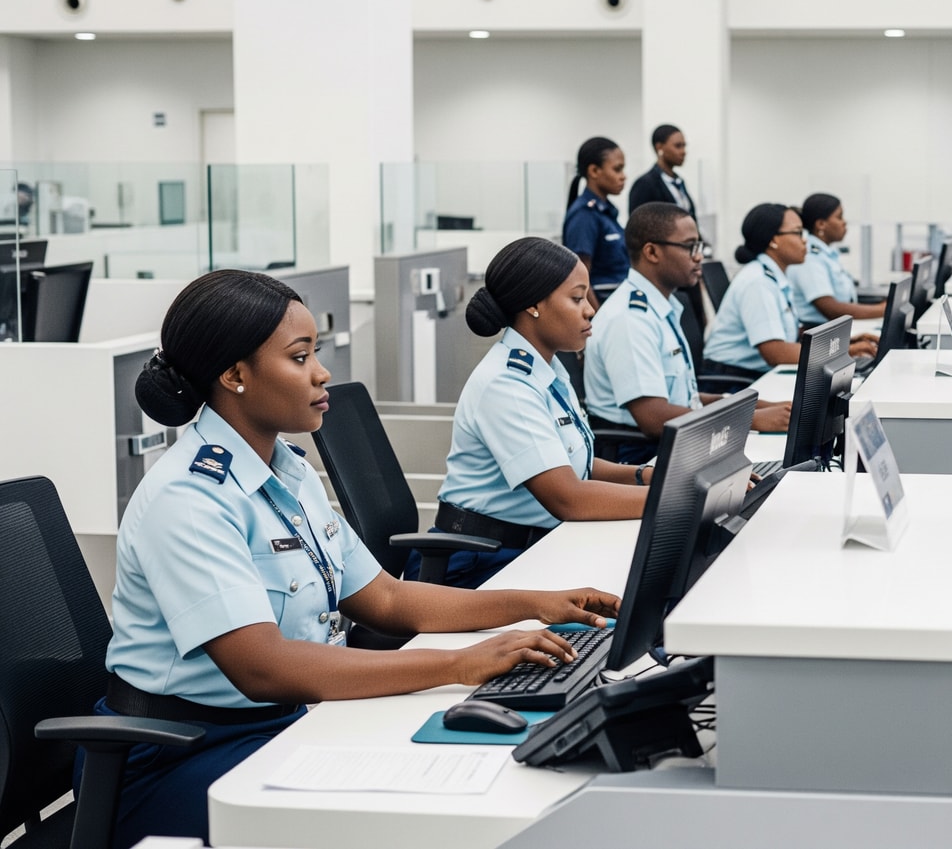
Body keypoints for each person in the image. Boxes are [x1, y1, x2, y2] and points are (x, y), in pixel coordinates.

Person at [99, 269, 620, 849]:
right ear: (234, 375)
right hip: (186, 755)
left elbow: (386, 598)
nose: (322, 373)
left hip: (287, 723)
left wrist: (536, 605)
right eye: (300, 358)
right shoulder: (189, 499)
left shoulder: (287, 471)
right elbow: (263, 668)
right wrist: (460, 665)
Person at [428, 237, 653, 588]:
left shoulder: (545, 368)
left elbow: (573, 463)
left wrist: (645, 476)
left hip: (531, 546)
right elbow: (569, 498)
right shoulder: (506, 385)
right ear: (534, 305)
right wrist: (677, 498)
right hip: (480, 565)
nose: (590, 309)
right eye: (577, 298)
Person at [585, 202, 792, 462]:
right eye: (690, 246)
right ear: (651, 252)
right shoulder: (630, 319)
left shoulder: (661, 308)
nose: (699, 256)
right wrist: (748, 419)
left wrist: (755, 406)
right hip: (643, 457)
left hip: (677, 441)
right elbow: (653, 418)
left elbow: (686, 399)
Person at [702, 203, 876, 380]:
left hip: (758, 374)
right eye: (798, 233)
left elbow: (788, 337)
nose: (805, 240)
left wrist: (842, 343)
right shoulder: (758, 283)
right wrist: (844, 351)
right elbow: (776, 353)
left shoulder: (776, 277)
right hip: (731, 381)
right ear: (773, 240)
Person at [789, 193, 885, 330]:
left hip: (835, 329)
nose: (844, 222)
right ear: (821, 224)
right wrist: (882, 309)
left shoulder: (827, 254)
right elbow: (832, 309)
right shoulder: (809, 258)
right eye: (839, 217)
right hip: (820, 332)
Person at [563, 136, 630, 307]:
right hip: (603, 307)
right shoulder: (584, 215)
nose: (623, 177)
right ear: (594, 171)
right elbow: (578, 278)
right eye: (617, 169)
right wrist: (599, 320)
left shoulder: (606, 212)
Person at [627, 124, 697, 220]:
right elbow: (638, 225)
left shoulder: (678, 182)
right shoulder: (645, 184)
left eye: (684, 146)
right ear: (659, 147)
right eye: (678, 146)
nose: (683, 151)